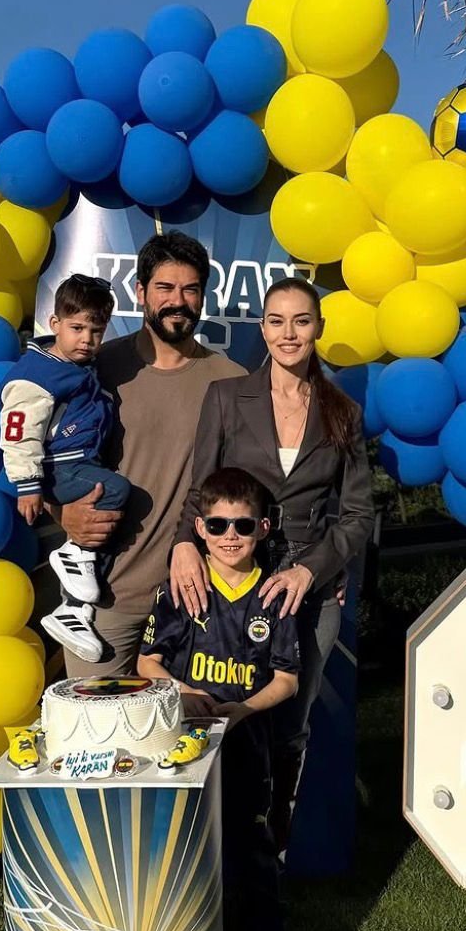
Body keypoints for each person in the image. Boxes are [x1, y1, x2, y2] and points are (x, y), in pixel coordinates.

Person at [169, 275, 375, 855]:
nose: (289, 333)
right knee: (213, 706)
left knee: (290, 719)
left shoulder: (342, 411)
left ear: (318, 329)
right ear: (262, 328)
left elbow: (358, 514)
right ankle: (203, 843)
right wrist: (185, 543)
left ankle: (271, 847)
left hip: (309, 591)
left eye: (301, 321)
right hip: (231, 582)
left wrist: (313, 571)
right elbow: (199, 489)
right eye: (277, 321)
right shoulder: (227, 398)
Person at [52, 231, 244, 677]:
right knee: (96, 735)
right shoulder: (94, 369)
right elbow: (38, 458)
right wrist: (60, 513)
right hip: (103, 602)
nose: (178, 301)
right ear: (140, 293)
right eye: (165, 288)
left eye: (190, 289)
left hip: (196, 602)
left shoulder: (232, 382)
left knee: (189, 742)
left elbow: (251, 488)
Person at [138, 466, 299, 931]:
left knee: (251, 844)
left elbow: (288, 681)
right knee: (185, 844)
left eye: (243, 526)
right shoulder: (179, 590)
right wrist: (185, 692)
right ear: (200, 529)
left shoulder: (275, 597)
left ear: (263, 528)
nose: (231, 537)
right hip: (184, 750)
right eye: (218, 525)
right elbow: (147, 663)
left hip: (248, 744)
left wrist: (242, 710)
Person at [0, 274, 130, 662]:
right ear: (54, 324)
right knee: (116, 490)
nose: (86, 339)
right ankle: (73, 553)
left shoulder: (81, 368)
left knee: (105, 532)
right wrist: (28, 485)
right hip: (57, 467)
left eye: (96, 330)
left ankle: (75, 611)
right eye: (76, 328)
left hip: (78, 461)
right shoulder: (36, 375)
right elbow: (19, 434)